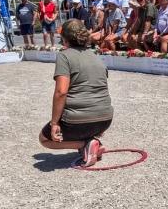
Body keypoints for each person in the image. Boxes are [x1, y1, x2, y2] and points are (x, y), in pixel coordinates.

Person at [38, 20, 113, 168]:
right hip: (105, 120)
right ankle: (92, 144)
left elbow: (61, 92)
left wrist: (54, 123)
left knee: (44, 139)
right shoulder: (95, 56)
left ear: (65, 38)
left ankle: (85, 144)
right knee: (86, 126)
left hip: (79, 121)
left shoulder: (64, 56)